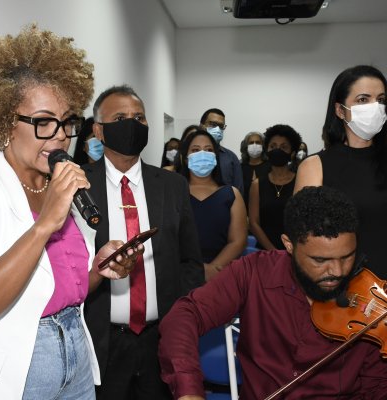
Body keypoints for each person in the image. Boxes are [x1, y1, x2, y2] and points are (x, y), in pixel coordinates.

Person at [0, 25, 141, 400]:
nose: (59, 135)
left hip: (76, 349)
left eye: (67, 122)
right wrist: (44, 227)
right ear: (6, 122)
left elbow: (63, 288)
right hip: (21, 366)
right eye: (43, 122)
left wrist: (101, 269)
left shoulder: (62, 185)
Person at [158, 186, 387, 400]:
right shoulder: (252, 272)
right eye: (320, 260)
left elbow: (376, 386)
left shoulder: (370, 303)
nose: (338, 271)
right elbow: (185, 315)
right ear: (289, 244)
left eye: (347, 257)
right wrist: (189, 391)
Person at [83, 84, 204, 400]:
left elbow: (191, 260)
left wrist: (181, 320)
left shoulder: (173, 185)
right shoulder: (78, 186)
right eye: (120, 117)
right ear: (98, 130)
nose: (132, 124)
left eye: (139, 117)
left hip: (161, 339)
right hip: (101, 342)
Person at [295, 65, 387, 278]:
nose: (376, 107)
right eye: (363, 100)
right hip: (344, 294)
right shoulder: (315, 166)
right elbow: (305, 241)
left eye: (381, 100)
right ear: (340, 110)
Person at [178, 129, 247, 281]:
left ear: (216, 157)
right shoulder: (174, 192)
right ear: (185, 158)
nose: (202, 154)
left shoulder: (232, 193)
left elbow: (238, 241)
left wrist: (210, 270)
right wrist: (195, 270)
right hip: (180, 276)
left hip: (221, 275)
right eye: (195, 150)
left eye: (209, 150)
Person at [249, 124, 302, 250]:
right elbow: (253, 223)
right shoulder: (257, 185)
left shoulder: (300, 181)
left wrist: (291, 249)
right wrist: (273, 252)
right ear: (267, 151)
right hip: (265, 252)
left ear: (292, 153)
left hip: (294, 251)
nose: (277, 150)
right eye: (273, 146)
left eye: (284, 147)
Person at [199, 108, 244, 195]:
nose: (217, 129)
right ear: (201, 126)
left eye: (221, 126)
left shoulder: (231, 157)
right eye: (213, 124)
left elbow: (239, 192)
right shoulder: (191, 155)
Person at [239, 131, 270, 209]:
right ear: (246, 146)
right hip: (244, 210)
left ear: (263, 146)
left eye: (258, 142)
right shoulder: (240, 168)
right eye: (251, 143)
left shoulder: (270, 166)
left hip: (266, 210)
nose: (254, 145)